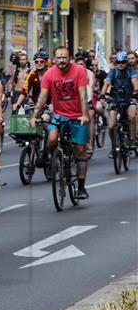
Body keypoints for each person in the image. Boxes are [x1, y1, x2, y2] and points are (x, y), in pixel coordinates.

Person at [29, 46, 91, 199]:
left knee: (81, 151)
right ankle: (52, 157)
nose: (62, 60)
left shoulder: (78, 71)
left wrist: (84, 115)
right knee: (51, 138)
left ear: (69, 58)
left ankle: (81, 187)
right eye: (59, 57)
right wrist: (34, 115)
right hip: (60, 115)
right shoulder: (50, 73)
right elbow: (43, 97)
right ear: (54, 59)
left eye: (65, 57)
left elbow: (83, 94)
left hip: (78, 115)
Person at [101, 52, 138, 149]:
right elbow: (107, 83)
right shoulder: (113, 72)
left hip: (129, 99)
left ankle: (132, 140)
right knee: (111, 126)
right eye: (118, 62)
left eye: (122, 62)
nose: (120, 64)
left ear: (126, 62)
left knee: (132, 116)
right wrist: (102, 95)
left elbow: (135, 81)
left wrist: (136, 92)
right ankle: (114, 146)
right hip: (116, 100)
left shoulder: (131, 71)